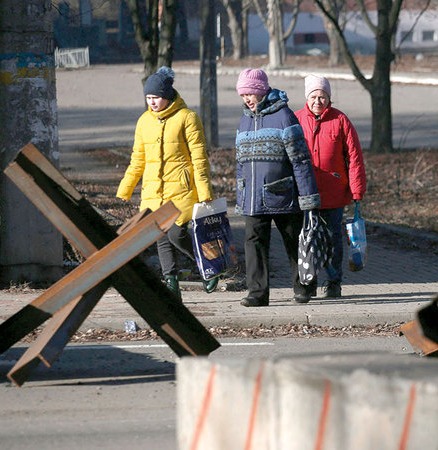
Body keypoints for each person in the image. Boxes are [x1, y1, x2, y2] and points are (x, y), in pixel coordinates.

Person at [116, 66, 219, 297]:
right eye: (148, 98)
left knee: (175, 233)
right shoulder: (144, 122)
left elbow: (199, 158)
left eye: (156, 97)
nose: (152, 102)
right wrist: (126, 188)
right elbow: (138, 159)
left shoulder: (188, 118)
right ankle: (171, 284)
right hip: (153, 190)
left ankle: (209, 266)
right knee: (160, 235)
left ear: (167, 95)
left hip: (181, 190)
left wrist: (204, 193)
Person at [235, 68, 321, 307]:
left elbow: (300, 160)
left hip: (283, 195)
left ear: (261, 91)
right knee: (253, 243)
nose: (247, 99)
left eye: (250, 94)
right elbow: (240, 163)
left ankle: (303, 287)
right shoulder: (244, 121)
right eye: (243, 95)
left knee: (294, 241)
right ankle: (257, 293)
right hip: (253, 197)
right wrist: (241, 194)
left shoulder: (285, 116)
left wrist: (308, 197)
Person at [295, 75, 366, 298]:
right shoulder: (295, 119)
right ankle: (309, 281)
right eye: (314, 96)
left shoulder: (340, 120)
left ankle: (334, 281)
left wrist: (357, 190)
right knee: (308, 239)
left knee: (333, 239)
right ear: (307, 97)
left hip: (334, 192)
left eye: (323, 97)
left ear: (329, 98)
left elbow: (354, 157)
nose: (318, 101)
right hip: (305, 192)